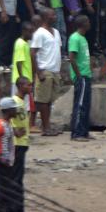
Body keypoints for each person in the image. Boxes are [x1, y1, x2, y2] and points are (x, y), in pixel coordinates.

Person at [31, 8, 62, 136]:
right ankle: (45, 127)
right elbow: (32, 53)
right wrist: (38, 72)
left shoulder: (56, 32)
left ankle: (47, 126)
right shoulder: (39, 33)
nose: (55, 17)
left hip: (55, 71)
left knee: (49, 101)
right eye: (52, 15)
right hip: (45, 70)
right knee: (43, 101)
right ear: (45, 17)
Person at [8, 81, 36, 212]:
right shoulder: (14, 102)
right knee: (15, 178)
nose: (30, 87)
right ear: (20, 86)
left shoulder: (21, 102)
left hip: (23, 143)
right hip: (17, 144)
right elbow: (7, 120)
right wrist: (14, 131)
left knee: (19, 178)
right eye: (28, 85)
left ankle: (19, 210)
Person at [68, 15, 93, 142]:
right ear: (83, 24)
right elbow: (71, 57)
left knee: (86, 105)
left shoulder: (83, 38)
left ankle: (84, 131)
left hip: (86, 75)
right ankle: (76, 133)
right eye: (88, 21)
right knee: (80, 104)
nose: (90, 23)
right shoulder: (75, 38)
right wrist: (78, 75)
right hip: (81, 76)